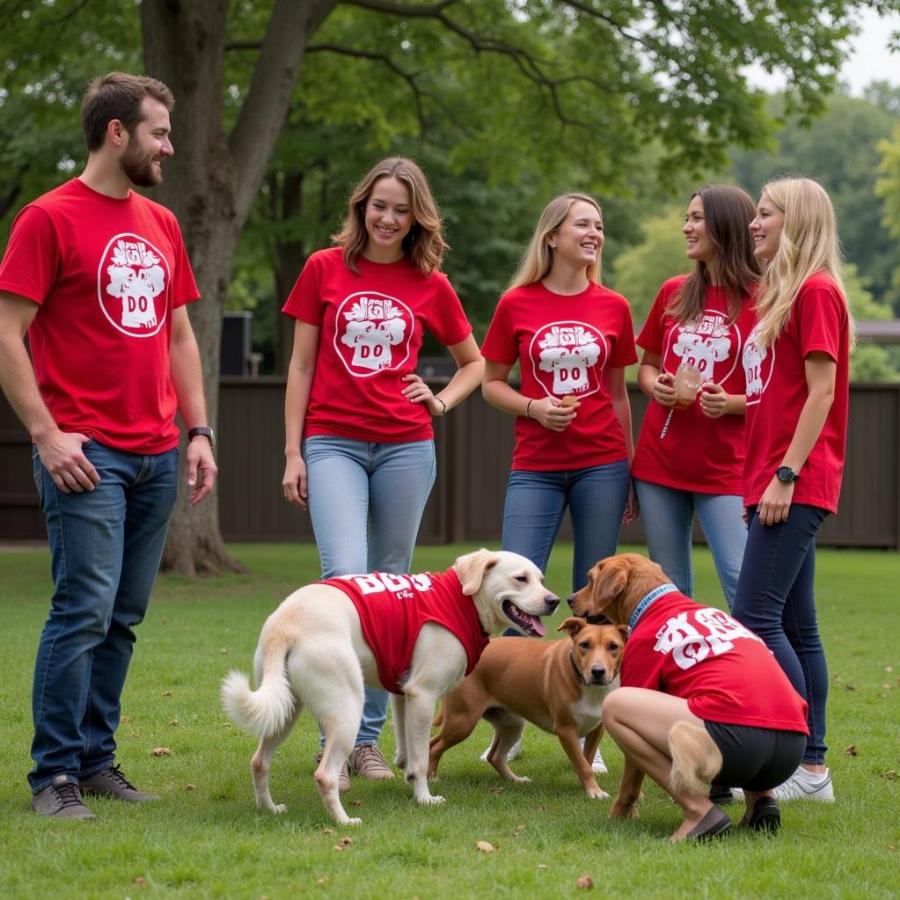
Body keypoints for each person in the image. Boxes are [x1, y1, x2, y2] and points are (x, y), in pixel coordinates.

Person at [0, 73, 217, 820]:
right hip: (87, 454)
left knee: (122, 615)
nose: (170, 145)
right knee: (82, 610)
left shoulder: (160, 222)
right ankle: (52, 776)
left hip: (158, 450)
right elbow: (7, 332)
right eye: (159, 131)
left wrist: (198, 431)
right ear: (117, 133)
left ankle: (95, 760)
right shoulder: (46, 218)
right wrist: (44, 432)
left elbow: (179, 335)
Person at [281, 157, 483, 787]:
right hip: (332, 442)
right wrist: (293, 451)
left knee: (389, 591)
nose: (389, 219)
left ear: (416, 216)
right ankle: (335, 740)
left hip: (405, 446)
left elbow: (474, 363)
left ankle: (364, 743)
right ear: (361, 206)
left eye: (402, 209)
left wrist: (441, 399)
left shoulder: (431, 282)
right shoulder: (324, 268)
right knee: (342, 581)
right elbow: (301, 368)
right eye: (380, 206)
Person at [481, 192, 637, 769]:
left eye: (599, 225)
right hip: (536, 467)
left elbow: (619, 393)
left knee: (596, 598)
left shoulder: (614, 305)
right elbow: (491, 382)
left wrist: (631, 469)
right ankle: (512, 714)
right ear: (553, 236)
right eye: (583, 225)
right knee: (514, 592)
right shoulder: (516, 303)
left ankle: (590, 729)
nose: (594, 233)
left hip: (602, 462)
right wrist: (533, 408)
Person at [732, 177, 853, 803]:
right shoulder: (774, 295)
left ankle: (793, 758)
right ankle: (812, 770)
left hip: (793, 482)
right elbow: (770, 397)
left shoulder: (817, 291)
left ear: (797, 221)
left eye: (766, 214)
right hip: (768, 480)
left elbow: (823, 393)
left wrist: (785, 474)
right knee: (796, 625)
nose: (756, 223)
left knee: (753, 617)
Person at [631, 185, 759, 610]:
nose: (686, 227)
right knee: (667, 587)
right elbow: (646, 366)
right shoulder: (673, 291)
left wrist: (732, 403)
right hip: (659, 462)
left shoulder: (764, 299)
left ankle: (749, 674)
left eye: (697, 218)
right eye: (688, 218)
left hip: (726, 466)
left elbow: (777, 389)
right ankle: (674, 675)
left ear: (725, 226)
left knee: (742, 578)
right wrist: (657, 387)